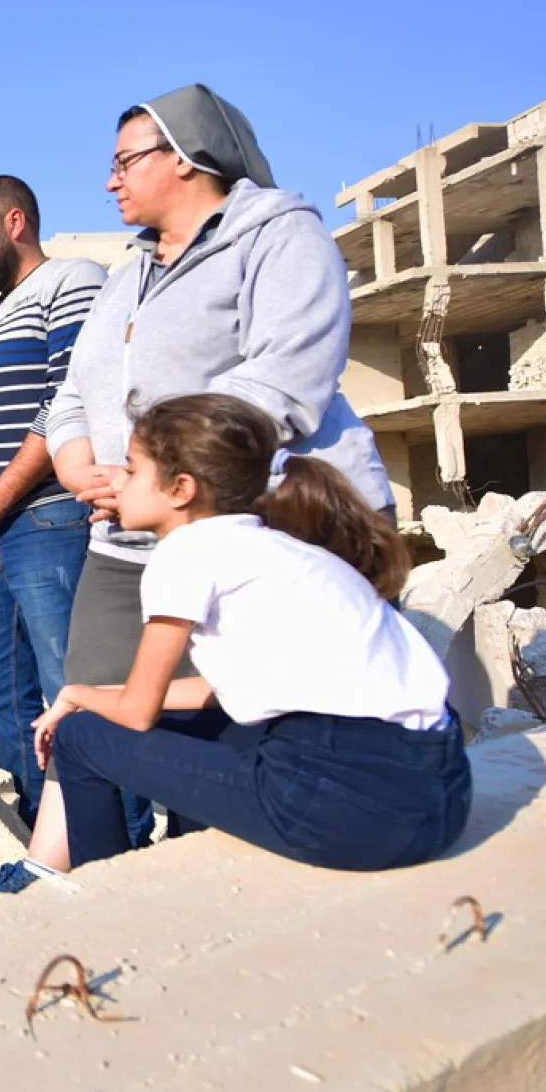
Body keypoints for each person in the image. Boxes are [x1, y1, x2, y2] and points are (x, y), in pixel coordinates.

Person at [33, 83, 396, 863]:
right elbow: (72, 392)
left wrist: (148, 466)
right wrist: (77, 464)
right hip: (128, 534)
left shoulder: (279, 236)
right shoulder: (125, 275)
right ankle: (52, 882)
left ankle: (203, 899)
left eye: (126, 160)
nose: (109, 180)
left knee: (228, 731)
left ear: (190, 159)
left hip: (256, 526)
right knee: (84, 714)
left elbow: (284, 386)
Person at [9, 394, 467, 876]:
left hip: (345, 813)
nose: (116, 480)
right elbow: (225, 691)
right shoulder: (279, 546)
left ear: (180, 489)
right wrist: (96, 693)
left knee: (81, 737)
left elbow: (137, 713)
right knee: (183, 725)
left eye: (131, 468)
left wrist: (77, 696)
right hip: (439, 799)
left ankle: (106, 897)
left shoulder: (184, 552)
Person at [0, 175, 106, 822]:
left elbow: (67, 400)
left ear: (15, 222)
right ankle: (34, 836)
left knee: (72, 690)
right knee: (6, 698)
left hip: (48, 516)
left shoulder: (73, 281)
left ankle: (103, 839)